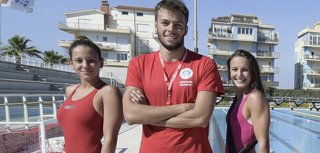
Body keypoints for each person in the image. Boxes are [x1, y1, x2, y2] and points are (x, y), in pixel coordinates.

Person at [123, 0, 225, 152]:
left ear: (186, 29)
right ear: (156, 26)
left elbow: (200, 118)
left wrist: (148, 117)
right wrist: (184, 107)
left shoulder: (205, 64)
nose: (171, 29)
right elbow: (131, 115)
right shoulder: (138, 64)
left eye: (178, 25)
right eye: (165, 23)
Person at [57, 36, 123, 153]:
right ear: (72, 64)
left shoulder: (108, 92)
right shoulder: (70, 91)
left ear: (101, 62)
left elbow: (110, 139)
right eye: (79, 61)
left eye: (91, 60)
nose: (85, 65)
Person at [225, 50, 270, 153]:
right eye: (235, 69)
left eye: (245, 70)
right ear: (229, 72)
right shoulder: (238, 99)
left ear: (252, 72)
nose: (239, 74)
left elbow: (264, 142)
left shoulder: (254, 98)